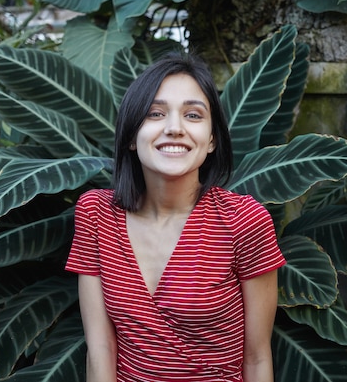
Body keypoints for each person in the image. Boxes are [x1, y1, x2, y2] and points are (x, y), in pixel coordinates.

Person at [65, 53, 286, 381]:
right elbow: (100, 349)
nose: (174, 128)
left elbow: (256, 358)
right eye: (155, 113)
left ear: (211, 139)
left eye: (193, 115)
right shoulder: (96, 215)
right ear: (130, 135)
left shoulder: (244, 220)